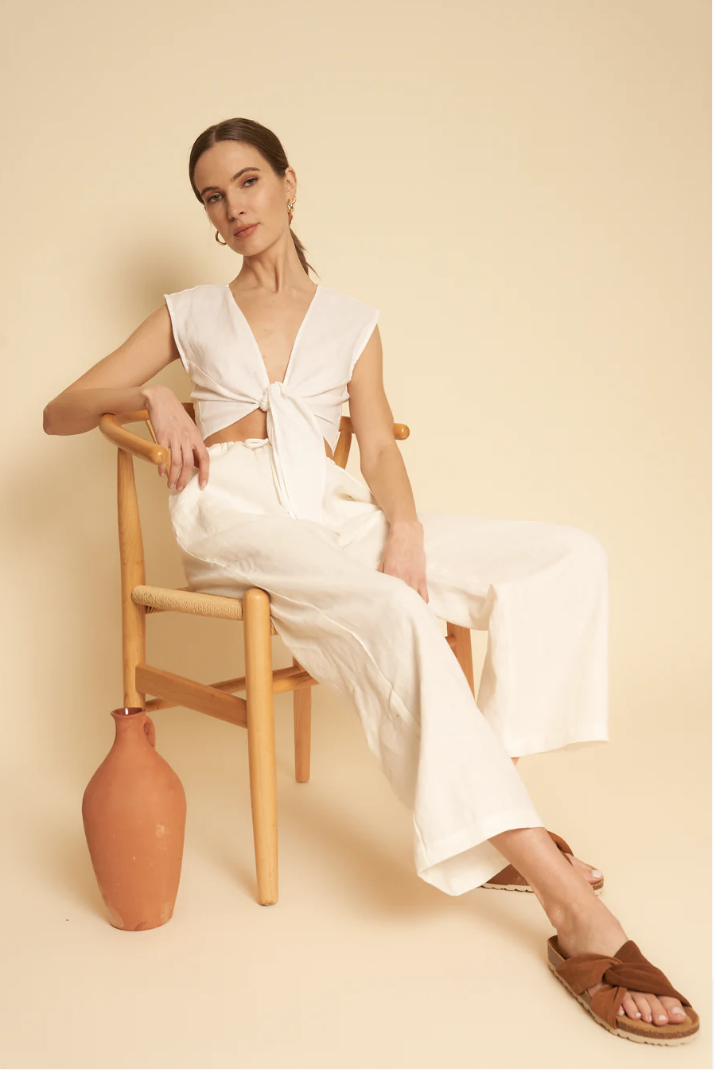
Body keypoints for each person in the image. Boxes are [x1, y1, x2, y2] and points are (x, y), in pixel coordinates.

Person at [42, 117, 698, 1045]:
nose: (233, 208)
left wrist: (407, 528)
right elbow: (60, 412)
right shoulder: (187, 311)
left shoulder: (354, 321)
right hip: (234, 515)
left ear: (289, 184)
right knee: (395, 613)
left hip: (339, 512)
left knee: (564, 556)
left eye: (248, 183)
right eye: (213, 197)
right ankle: (569, 909)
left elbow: (380, 446)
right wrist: (150, 394)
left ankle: (494, 803)